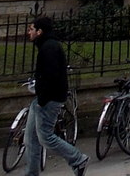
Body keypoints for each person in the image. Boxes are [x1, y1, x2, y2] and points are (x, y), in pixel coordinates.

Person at [26, 16, 88, 176]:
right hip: (42, 98)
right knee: (31, 139)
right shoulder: (46, 46)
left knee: (46, 137)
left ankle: (78, 159)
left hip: (48, 100)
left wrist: (43, 99)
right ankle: (31, 173)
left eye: (31, 29)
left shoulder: (49, 48)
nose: (29, 32)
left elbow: (52, 77)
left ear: (39, 32)